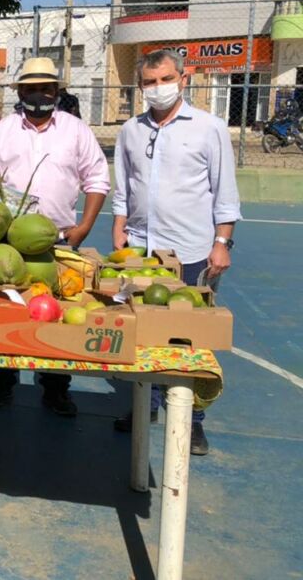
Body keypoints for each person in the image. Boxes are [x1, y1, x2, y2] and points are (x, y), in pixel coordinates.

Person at [111, 49, 240, 456]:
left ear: (182, 79)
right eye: (149, 83)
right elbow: (124, 186)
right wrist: (119, 227)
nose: (157, 89)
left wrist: (221, 243)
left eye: (165, 79)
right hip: (141, 250)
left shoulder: (209, 127)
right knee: (141, 332)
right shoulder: (131, 131)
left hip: (191, 251)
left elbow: (225, 191)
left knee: (189, 339)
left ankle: (193, 421)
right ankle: (144, 406)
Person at [0, 57, 110, 416]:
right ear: (19, 91)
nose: (39, 95)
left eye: (46, 88)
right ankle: (2, 380)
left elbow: (97, 179)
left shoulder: (76, 130)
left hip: (60, 241)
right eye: (31, 88)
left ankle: (56, 388)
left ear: (57, 91)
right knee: (7, 311)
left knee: (58, 314)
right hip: (9, 245)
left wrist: (84, 228)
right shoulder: (2, 130)